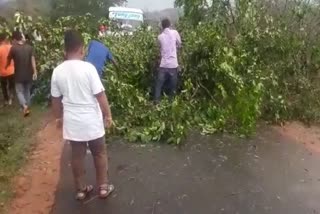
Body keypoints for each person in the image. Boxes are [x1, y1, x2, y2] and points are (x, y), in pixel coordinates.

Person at [51, 29, 114, 200]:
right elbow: (100, 95)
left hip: (73, 122)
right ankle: (103, 187)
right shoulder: (89, 69)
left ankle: (81, 189)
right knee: (99, 153)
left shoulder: (57, 71)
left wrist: (58, 118)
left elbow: (55, 100)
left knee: (77, 156)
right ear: (82, 49)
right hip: (91, 120)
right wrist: (108, 115)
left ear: (65, 51)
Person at [6, 31, 37, 116]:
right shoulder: (29, 47)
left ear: (15, 39)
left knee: (19, 91)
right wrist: (35, 71)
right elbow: (33, 60)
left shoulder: (13, 48)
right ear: (21, 38)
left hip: (18, 74)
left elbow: (8, 59)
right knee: (27, 90)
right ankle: (27, 106)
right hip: (28, 73)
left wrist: (6, 66)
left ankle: (24, 106)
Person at [154, 18, 182, 104]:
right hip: (173, 64)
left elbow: (159, 48)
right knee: (172, 86)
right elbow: (180, 44)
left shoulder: (160, 37)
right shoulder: (175, 33)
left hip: (164, 64)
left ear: (162, 26)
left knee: (159, 85)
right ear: (170, 25)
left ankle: (157, 102)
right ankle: (171, 103)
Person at [0, 33, 15, 106]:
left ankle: (6, 99)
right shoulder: (11, 47)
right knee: (11, 85)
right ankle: (11, 99)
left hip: (3, 72)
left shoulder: (0, 49)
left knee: (4, 86)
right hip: (12, 70)